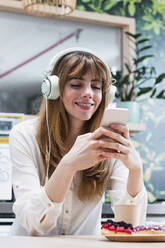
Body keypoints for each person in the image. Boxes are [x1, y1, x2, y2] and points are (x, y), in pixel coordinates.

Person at [9, 47, 147, 236]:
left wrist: (136, 170)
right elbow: (34, 224)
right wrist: (69, 165)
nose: (88, 93)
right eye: (76, 85)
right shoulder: (24, 136)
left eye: (96, 87)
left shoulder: (109, 140)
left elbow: (131, 226)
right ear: (54, 89)